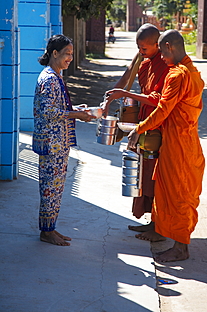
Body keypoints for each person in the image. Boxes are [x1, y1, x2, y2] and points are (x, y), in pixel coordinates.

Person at [128, 29, 205, 262]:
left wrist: (138, 128)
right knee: (165, 189)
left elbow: (163, 110)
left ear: (170, 46)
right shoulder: (190, 71)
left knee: (179, 193)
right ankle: (162, 229)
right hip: (182, 141)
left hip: (179, 144)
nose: (160, 57)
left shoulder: (178, 75)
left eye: (161, 51)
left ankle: (181, 247)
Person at [104, 23, 169, 238]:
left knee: (155, 176)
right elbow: (127, 77)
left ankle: (160, 226)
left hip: (157, 124)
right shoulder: (143, 59)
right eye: (138, 47)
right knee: (143, 172)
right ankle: (152, 221)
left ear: (157, 46)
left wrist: (126, 94)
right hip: (143, 120)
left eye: (144, 48)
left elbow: (158, 99)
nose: (141, 52)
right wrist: (113, 94)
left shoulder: (165, 62)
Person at [32, 34, 95, 246]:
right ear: (54, 53)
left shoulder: (55, 76)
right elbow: (48, 111)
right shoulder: (50, 78)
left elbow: (57, 108)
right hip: (52, 144)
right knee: (51, 188)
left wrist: (75, 110)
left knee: (56, 188)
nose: (70, 58)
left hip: (58, 143)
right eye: (67, 54)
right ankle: (46, 232)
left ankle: (51, 228)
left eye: (72, 54)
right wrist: (77, 115)